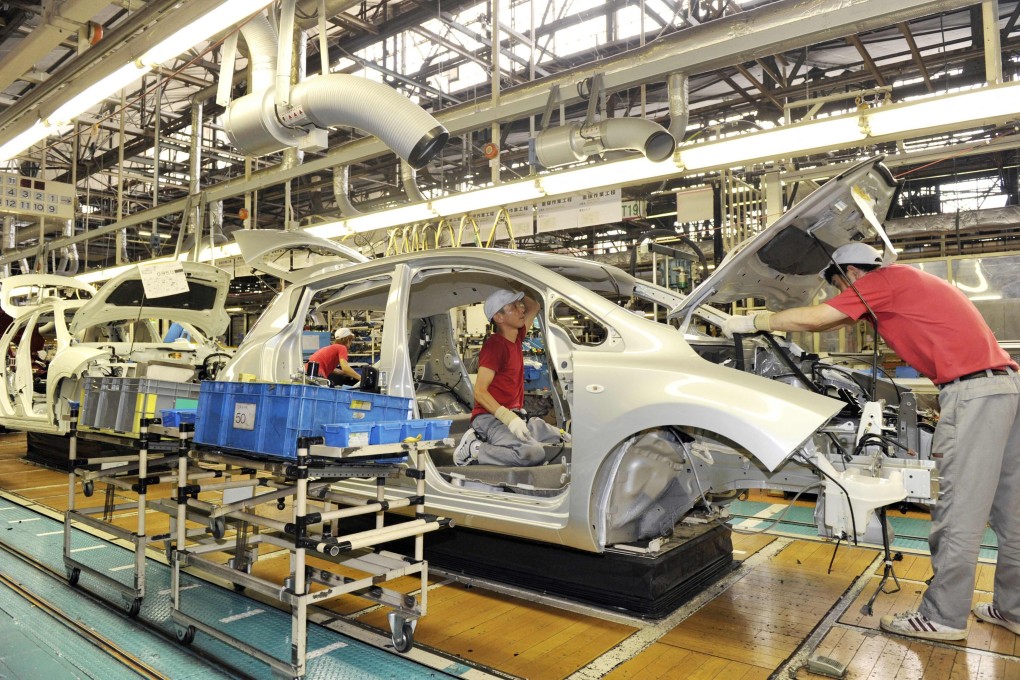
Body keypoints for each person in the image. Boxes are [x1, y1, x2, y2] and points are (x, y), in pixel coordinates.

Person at [723, 242, 1020, 642]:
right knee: (1011, 511)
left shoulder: (882, 281)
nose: (840, 296)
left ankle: (943, 618)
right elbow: (831, 323)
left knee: (959, 510)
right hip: (1004, 388)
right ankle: (1012, 609)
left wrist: (757, 320)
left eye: (838, 285)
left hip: (972, 395)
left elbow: (818, 319)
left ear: (852, 274)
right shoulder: (909, 281)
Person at [454, 289, 569, 466]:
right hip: (489, 419)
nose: (521, 309)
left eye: (519, 304)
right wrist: (509, 419)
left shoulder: (515, 338)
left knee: (564, 439)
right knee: (532, 453)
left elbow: (534, 306)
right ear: (499, 318)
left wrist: (513, 283)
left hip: (513, 417)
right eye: (513, 306)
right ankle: (475, 449)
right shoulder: (495, 346)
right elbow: (480, 392)